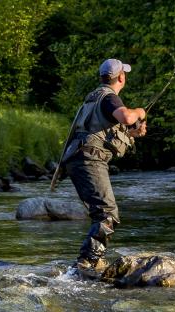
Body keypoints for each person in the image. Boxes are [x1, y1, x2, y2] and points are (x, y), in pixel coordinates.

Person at [64, 58, 147, 274]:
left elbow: (103, 133)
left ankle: (89, 262)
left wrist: (131, 134)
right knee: (107, 214)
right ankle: (87, 262)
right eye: (124, 74)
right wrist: (139, 112)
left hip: (79, 158)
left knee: (102, 213)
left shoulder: (93, 98)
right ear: (121, 77)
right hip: (88, 159)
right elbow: (127, 116)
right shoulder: (109, 98)